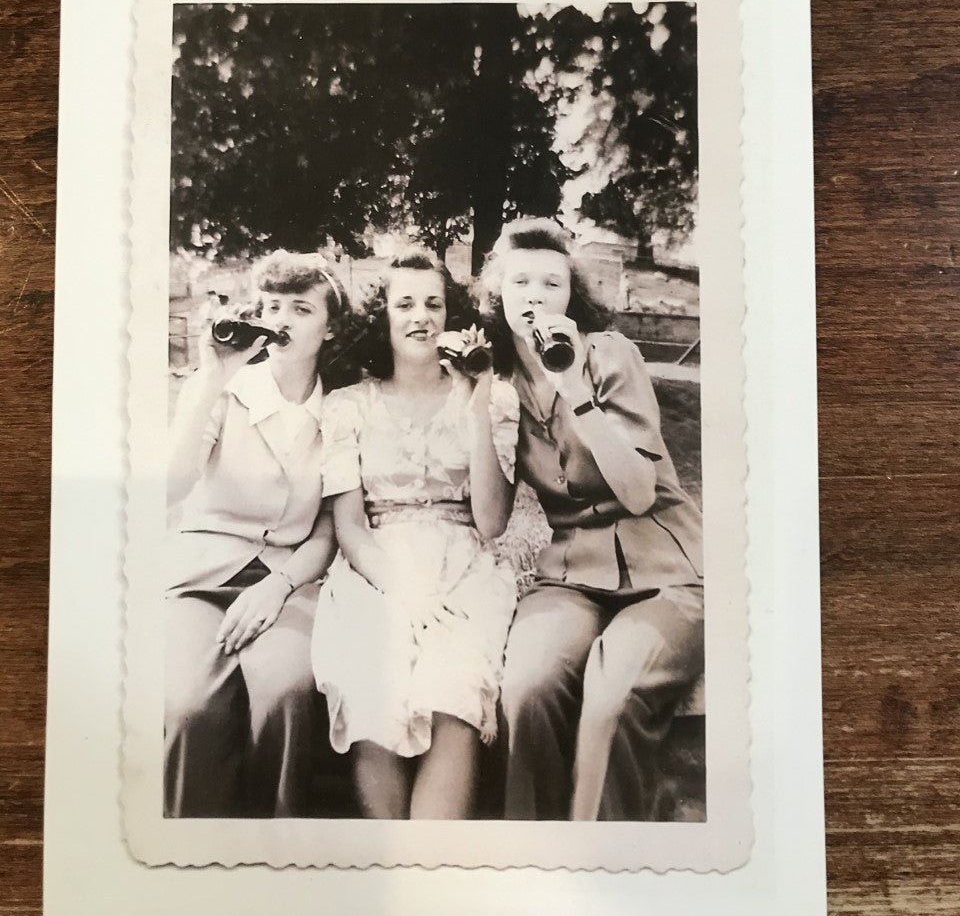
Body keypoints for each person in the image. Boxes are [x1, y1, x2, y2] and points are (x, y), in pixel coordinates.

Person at [479, 218, 704, 822]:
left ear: (569, 297)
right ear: (498, 296)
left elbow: (637, 493)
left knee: (612, 700)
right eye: (520, 281)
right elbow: (490, 519)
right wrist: (475, 401)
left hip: (666, 570)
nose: (533, 294)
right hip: (571, 573)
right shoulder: (497, 384)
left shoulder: (609, 355)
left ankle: (601, 869)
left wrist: (573, 388)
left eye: (550, 284)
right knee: (526, 689)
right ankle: (534, 864)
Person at [311, 248, 518, 820]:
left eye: (434, 303)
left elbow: (494, 522)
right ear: (385, 316)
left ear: (451, 315)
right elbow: (350, 527)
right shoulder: (348, 406)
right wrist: (404, 592)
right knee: (372, 689)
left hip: (464, 567)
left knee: (453, 693)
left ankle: (432, 874)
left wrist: (476, 399)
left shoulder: (492, 398)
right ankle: (392, 878)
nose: (420, 316)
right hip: (377, 569)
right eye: (405, 304)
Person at [164, 250, 349, 818]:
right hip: (201, 575)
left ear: (329, 326)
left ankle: (276, 858)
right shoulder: (227, 389)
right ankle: (190, 858)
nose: (283, 320)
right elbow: (171, 486)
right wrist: (211, 373)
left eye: (301, 308)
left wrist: (281, 586)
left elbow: (327, 532)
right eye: (272, 307)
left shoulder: (340, 411)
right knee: (191, 708)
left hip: (286, 580)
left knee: (289, 696)